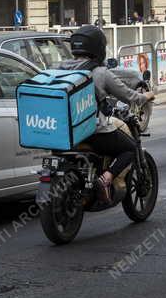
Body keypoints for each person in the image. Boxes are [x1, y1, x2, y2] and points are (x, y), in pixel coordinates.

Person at [61, 25, 154, 204]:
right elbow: (130, 97)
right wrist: (147, 95)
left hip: (65, 133)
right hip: (93, 132)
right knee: (130, 148)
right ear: (98, 48)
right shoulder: (101, 73)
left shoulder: (61, 68)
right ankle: (106, 178)